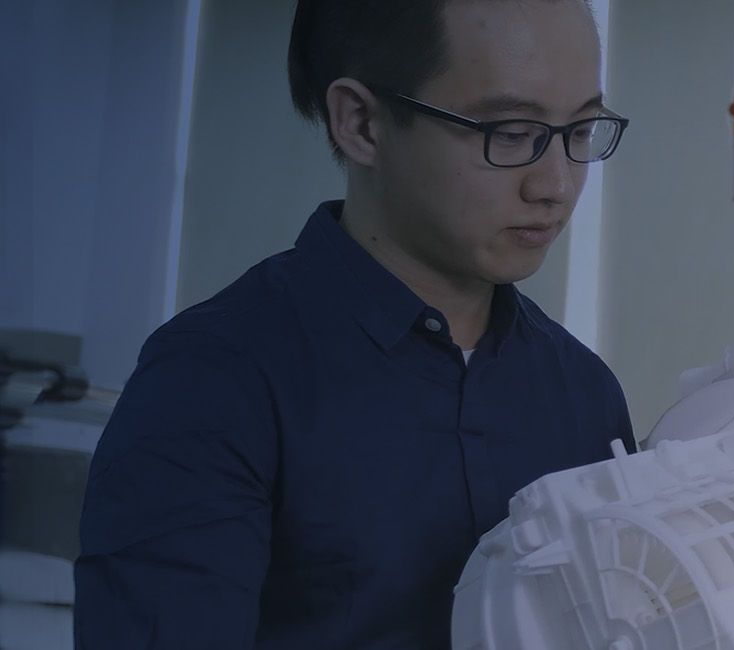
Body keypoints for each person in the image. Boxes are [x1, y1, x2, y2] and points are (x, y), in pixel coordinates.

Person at [73, 1, 634, 647]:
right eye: (511, 132)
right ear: (362, 123)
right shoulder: (213, 383)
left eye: (582, 130)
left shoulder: (584, 392)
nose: (557, 185)